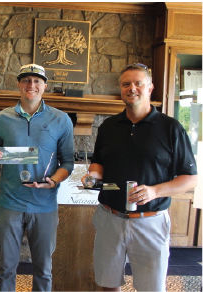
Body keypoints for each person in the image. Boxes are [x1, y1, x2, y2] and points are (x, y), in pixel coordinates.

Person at [85, 64, 197, 292]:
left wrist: (155, 191)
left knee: (151, 289)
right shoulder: (108, 126)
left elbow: (190, 179)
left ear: (150, 88)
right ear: (120, 89)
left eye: (138, 83)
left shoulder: (171, 128)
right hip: (110, 218)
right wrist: (93, 175)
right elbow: (98, 162)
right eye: (126, 84)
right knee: (107, 286)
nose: (132, 88)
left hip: (151, 221)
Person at [0, 64, 74, 292]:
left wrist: (53, 180)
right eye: (26, 80)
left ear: (45, 85)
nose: (31, 85)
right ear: (19, 84)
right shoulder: (1, 119)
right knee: (6, 267)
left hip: (44, 206)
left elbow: (67, 163)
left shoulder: (61, 120)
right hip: (10, 203)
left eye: (37, 81)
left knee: (43, 269)